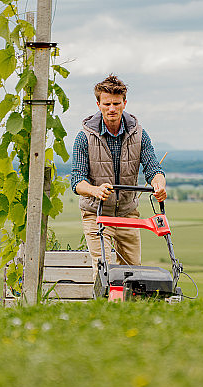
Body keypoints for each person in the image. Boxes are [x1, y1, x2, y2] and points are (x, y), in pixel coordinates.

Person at [70, 74, 166, 271]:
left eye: (116, 103)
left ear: (124, 103)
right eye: (106, 104)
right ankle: (104, 302)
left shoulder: (139, 134)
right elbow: (77, 180)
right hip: (96, 212)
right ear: (98, 104)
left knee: (134, 271)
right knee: (104, 269)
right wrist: (95, 191)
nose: (111, 108)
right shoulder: (84, 137)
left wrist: (159, 185)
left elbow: (153, 168)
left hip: (127, 212)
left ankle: (130, 303)